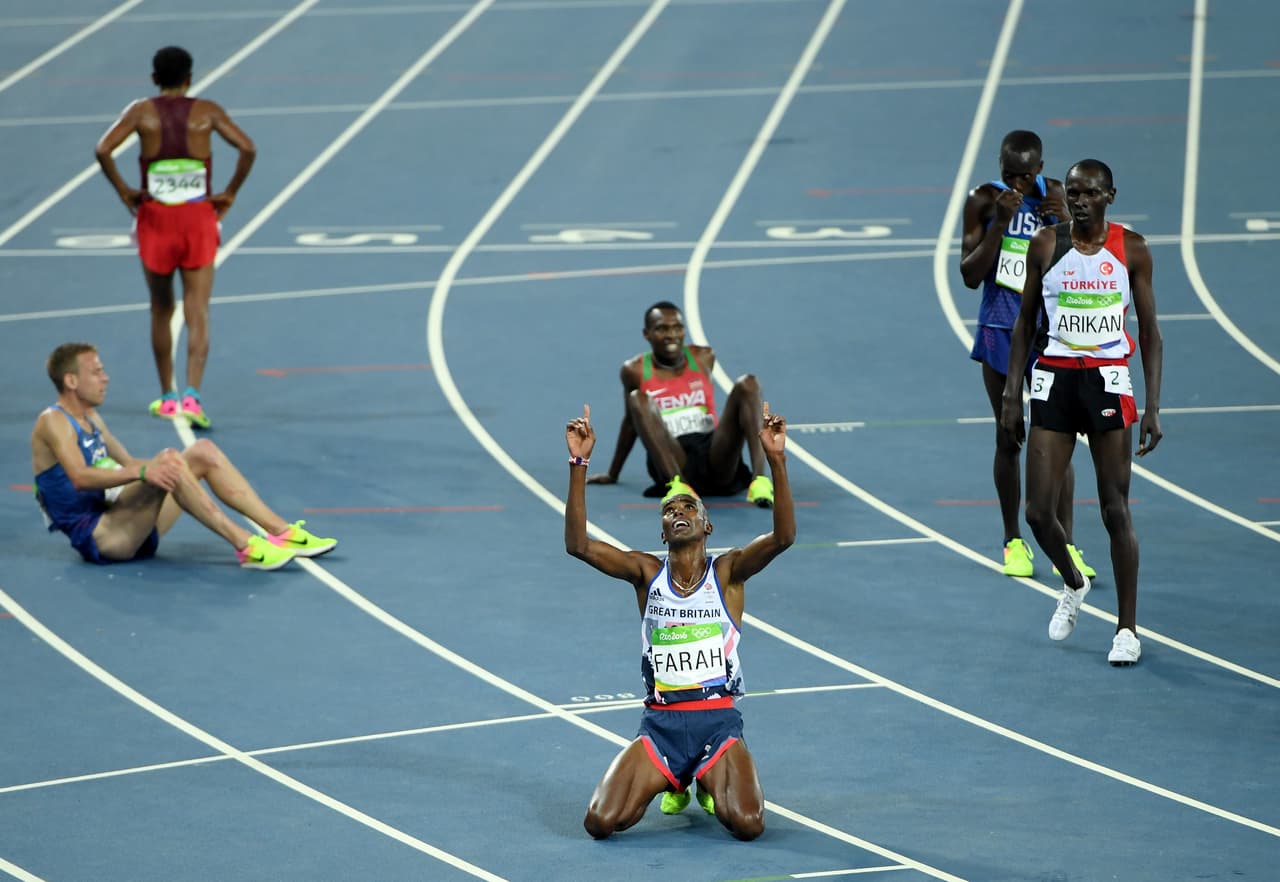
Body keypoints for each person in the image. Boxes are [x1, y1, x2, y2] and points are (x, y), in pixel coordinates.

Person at [565, 401, 794, 839]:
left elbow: (784, 537)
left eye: (689, 507)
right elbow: (579, 545)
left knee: (747, 825)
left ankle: (704, 776)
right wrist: (579, 463)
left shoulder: (727, 573)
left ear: (706, 525)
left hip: (718, 722)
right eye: (669, 512)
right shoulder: (645, 573)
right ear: (663, 532)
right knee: (600, 822)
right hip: (661, 726)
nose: (678, 513)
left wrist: (776, 460)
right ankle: (678, 778)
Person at [1000, 159, 1163, 666]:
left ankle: (1127, 630)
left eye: (1090, 192)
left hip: (1109, 380)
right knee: (1036, 513)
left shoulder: (1131, 248)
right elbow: (1025, 321)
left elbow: (1151, 333)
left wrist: (1153, 406)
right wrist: (1011, 393)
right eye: (1073, 192)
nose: (1079, 199)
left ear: (1109, 195)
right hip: (1054, 378)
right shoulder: (1047, 244)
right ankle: (1073, 582)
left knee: (1116, 510)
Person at [32, 343, 336, 570]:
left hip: (130, 525)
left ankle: (282, 532)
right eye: (96, 372)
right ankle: (246, 545)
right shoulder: (54, 422)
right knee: (169, 462)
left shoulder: (91, 418)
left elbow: (129, 463)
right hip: (103, 538)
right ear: (71, 381)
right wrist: (146, 473)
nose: (106, 378)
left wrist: (155, 467)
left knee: (200, 452)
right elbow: (80, 478)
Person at [94, 46, 257, 429]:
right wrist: (230, 191)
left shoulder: (140, 112)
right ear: (190, 78)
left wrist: (124, 190)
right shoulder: (207, 111)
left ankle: (167, 396)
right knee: (197, 309)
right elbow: (248, 147)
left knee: (160, 309)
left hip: (156, 219)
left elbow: (103, 149)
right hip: (197, 217)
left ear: (154, 78)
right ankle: (192, 397)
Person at [960, 130, 1095, 581]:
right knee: (1008, 435)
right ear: (998, 166)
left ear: (1040, 170)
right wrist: (999, 223)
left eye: (1024, 175)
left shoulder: (1059, 196)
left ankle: (1067, 545)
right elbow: (969, 275)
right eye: (1008, 174)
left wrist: (1064, 228)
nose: (1016, 184)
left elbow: (1085, 261)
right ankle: (1013, 541)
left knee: (1057, 442)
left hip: (1046, 332)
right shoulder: (982, 199)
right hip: (999, 329)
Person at [587, 301, 774, 507]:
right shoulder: (635, 370)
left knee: (748, 384)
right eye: (661, 329)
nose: (671, 335)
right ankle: (678, 486)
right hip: (673, 458)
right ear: (646, 334)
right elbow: (631, 422)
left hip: (715, 456)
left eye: (677, 328)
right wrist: (613, 473)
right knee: (637, 399)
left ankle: (760, 480)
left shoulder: (703, 357)